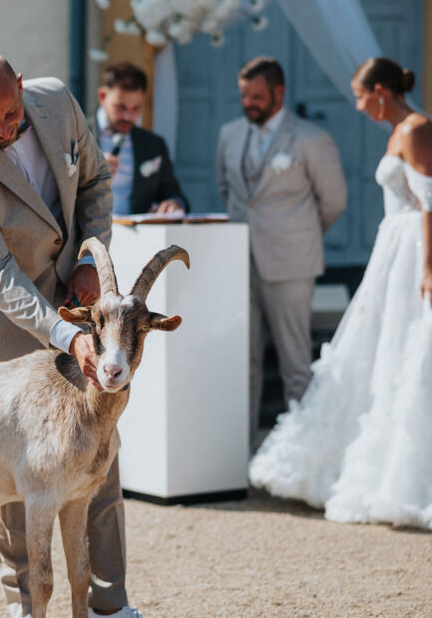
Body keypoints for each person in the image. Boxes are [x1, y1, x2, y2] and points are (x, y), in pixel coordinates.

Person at [0, 51, 175, 618]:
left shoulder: (58, 101)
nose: (4, 128)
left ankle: (110, 609)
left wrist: (89, 260)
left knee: (99, 450)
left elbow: (93, 183)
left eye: (11, 113)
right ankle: (24, 611)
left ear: (21, 86)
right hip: (2, 319)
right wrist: (66, 336)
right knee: (11, 469)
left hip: (81, 294)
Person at [250, 57, 432, 529]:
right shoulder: (398, 131)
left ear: (381, 93)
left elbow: (429, 200)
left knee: (405, 349)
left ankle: (404, 477)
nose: (357, 105)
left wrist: (429, 266)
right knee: (378, 347)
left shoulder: (416, 129)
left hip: (413, 249)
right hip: (392, 248)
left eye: (359, 95)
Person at [216, 56, 347, 448]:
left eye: (257, 96)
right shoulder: (229, 134)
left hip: (291, 263)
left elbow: (334, 200)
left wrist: (297, 236)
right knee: (243, 361)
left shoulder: (310, 138)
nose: (249, 103)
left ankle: (300, 452)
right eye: (244, 96)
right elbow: (227, 190)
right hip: (240, 262)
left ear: (279, 93)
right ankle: (240, 451)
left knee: (294, 364)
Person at [90, 61, 189, 215]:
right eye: (120, 107)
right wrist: (91, 175)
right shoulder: (76, 135)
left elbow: (171, 192)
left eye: (136, 108)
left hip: (135, 230)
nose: (128, 117)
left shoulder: (153, 144)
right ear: (102, 96)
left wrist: (173, 203)